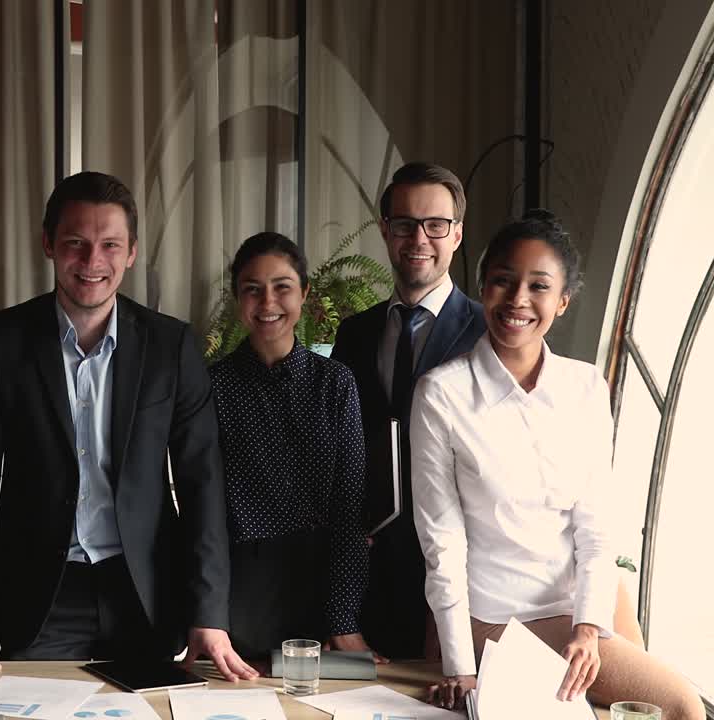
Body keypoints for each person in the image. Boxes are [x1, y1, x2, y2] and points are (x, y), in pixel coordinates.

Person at [0, 171, 258, 683]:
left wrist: (209, 613)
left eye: (109, 245)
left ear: (132, 252)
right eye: (76, 243)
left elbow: (202, 483)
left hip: (143, 591)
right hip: (39, 595)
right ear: (48, 244)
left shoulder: (171, 347)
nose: (93, 261)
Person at [411, 211, 704, 719]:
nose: (518, 299)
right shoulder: (442, 394)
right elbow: (443, 541)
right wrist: (460, 663)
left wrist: (589, 629)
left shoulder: (585, 387)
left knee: (660, 709)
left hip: (586, 605)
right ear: (483, 288)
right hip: (498, 614)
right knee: (681, 705)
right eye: (503, 280)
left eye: (539, 286)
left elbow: (594, 527)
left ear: (562, 302)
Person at [330, 162, 485, 660]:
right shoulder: (355, 334)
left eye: (435, 225)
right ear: (385, 231)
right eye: (404, 224)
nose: (419, 238)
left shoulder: (488, 333)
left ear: (457, 234)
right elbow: (341, 449)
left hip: (465, 575)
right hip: (372, 579)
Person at [209, 232, 384, 664]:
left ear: (304, 294)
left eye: (282, 287)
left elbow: (350, 506)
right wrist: (207, 615)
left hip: (323, 582)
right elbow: (202, 511)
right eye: (253, 289)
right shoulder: (211, 387)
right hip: (240, 589)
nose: (268, 303)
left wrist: (343, 621)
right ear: (237, 298)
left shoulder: (336, 384)